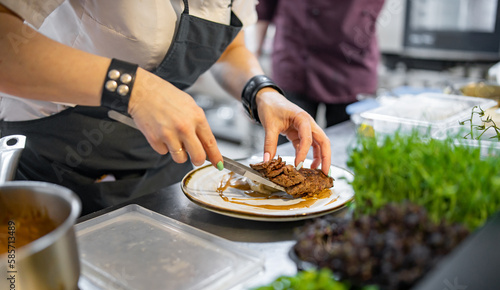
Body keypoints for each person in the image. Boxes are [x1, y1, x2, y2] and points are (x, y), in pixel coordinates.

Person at [0, 0, 331, 215]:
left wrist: (261, 91)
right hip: (53, 167)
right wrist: (135, 89)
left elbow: (231, 48)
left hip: (160, 167)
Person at [255, 0, 385, 134]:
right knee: (289, 148)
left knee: (348, 147)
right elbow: (264, 7)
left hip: (352, 64)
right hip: (294, 60)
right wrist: (253, 66)